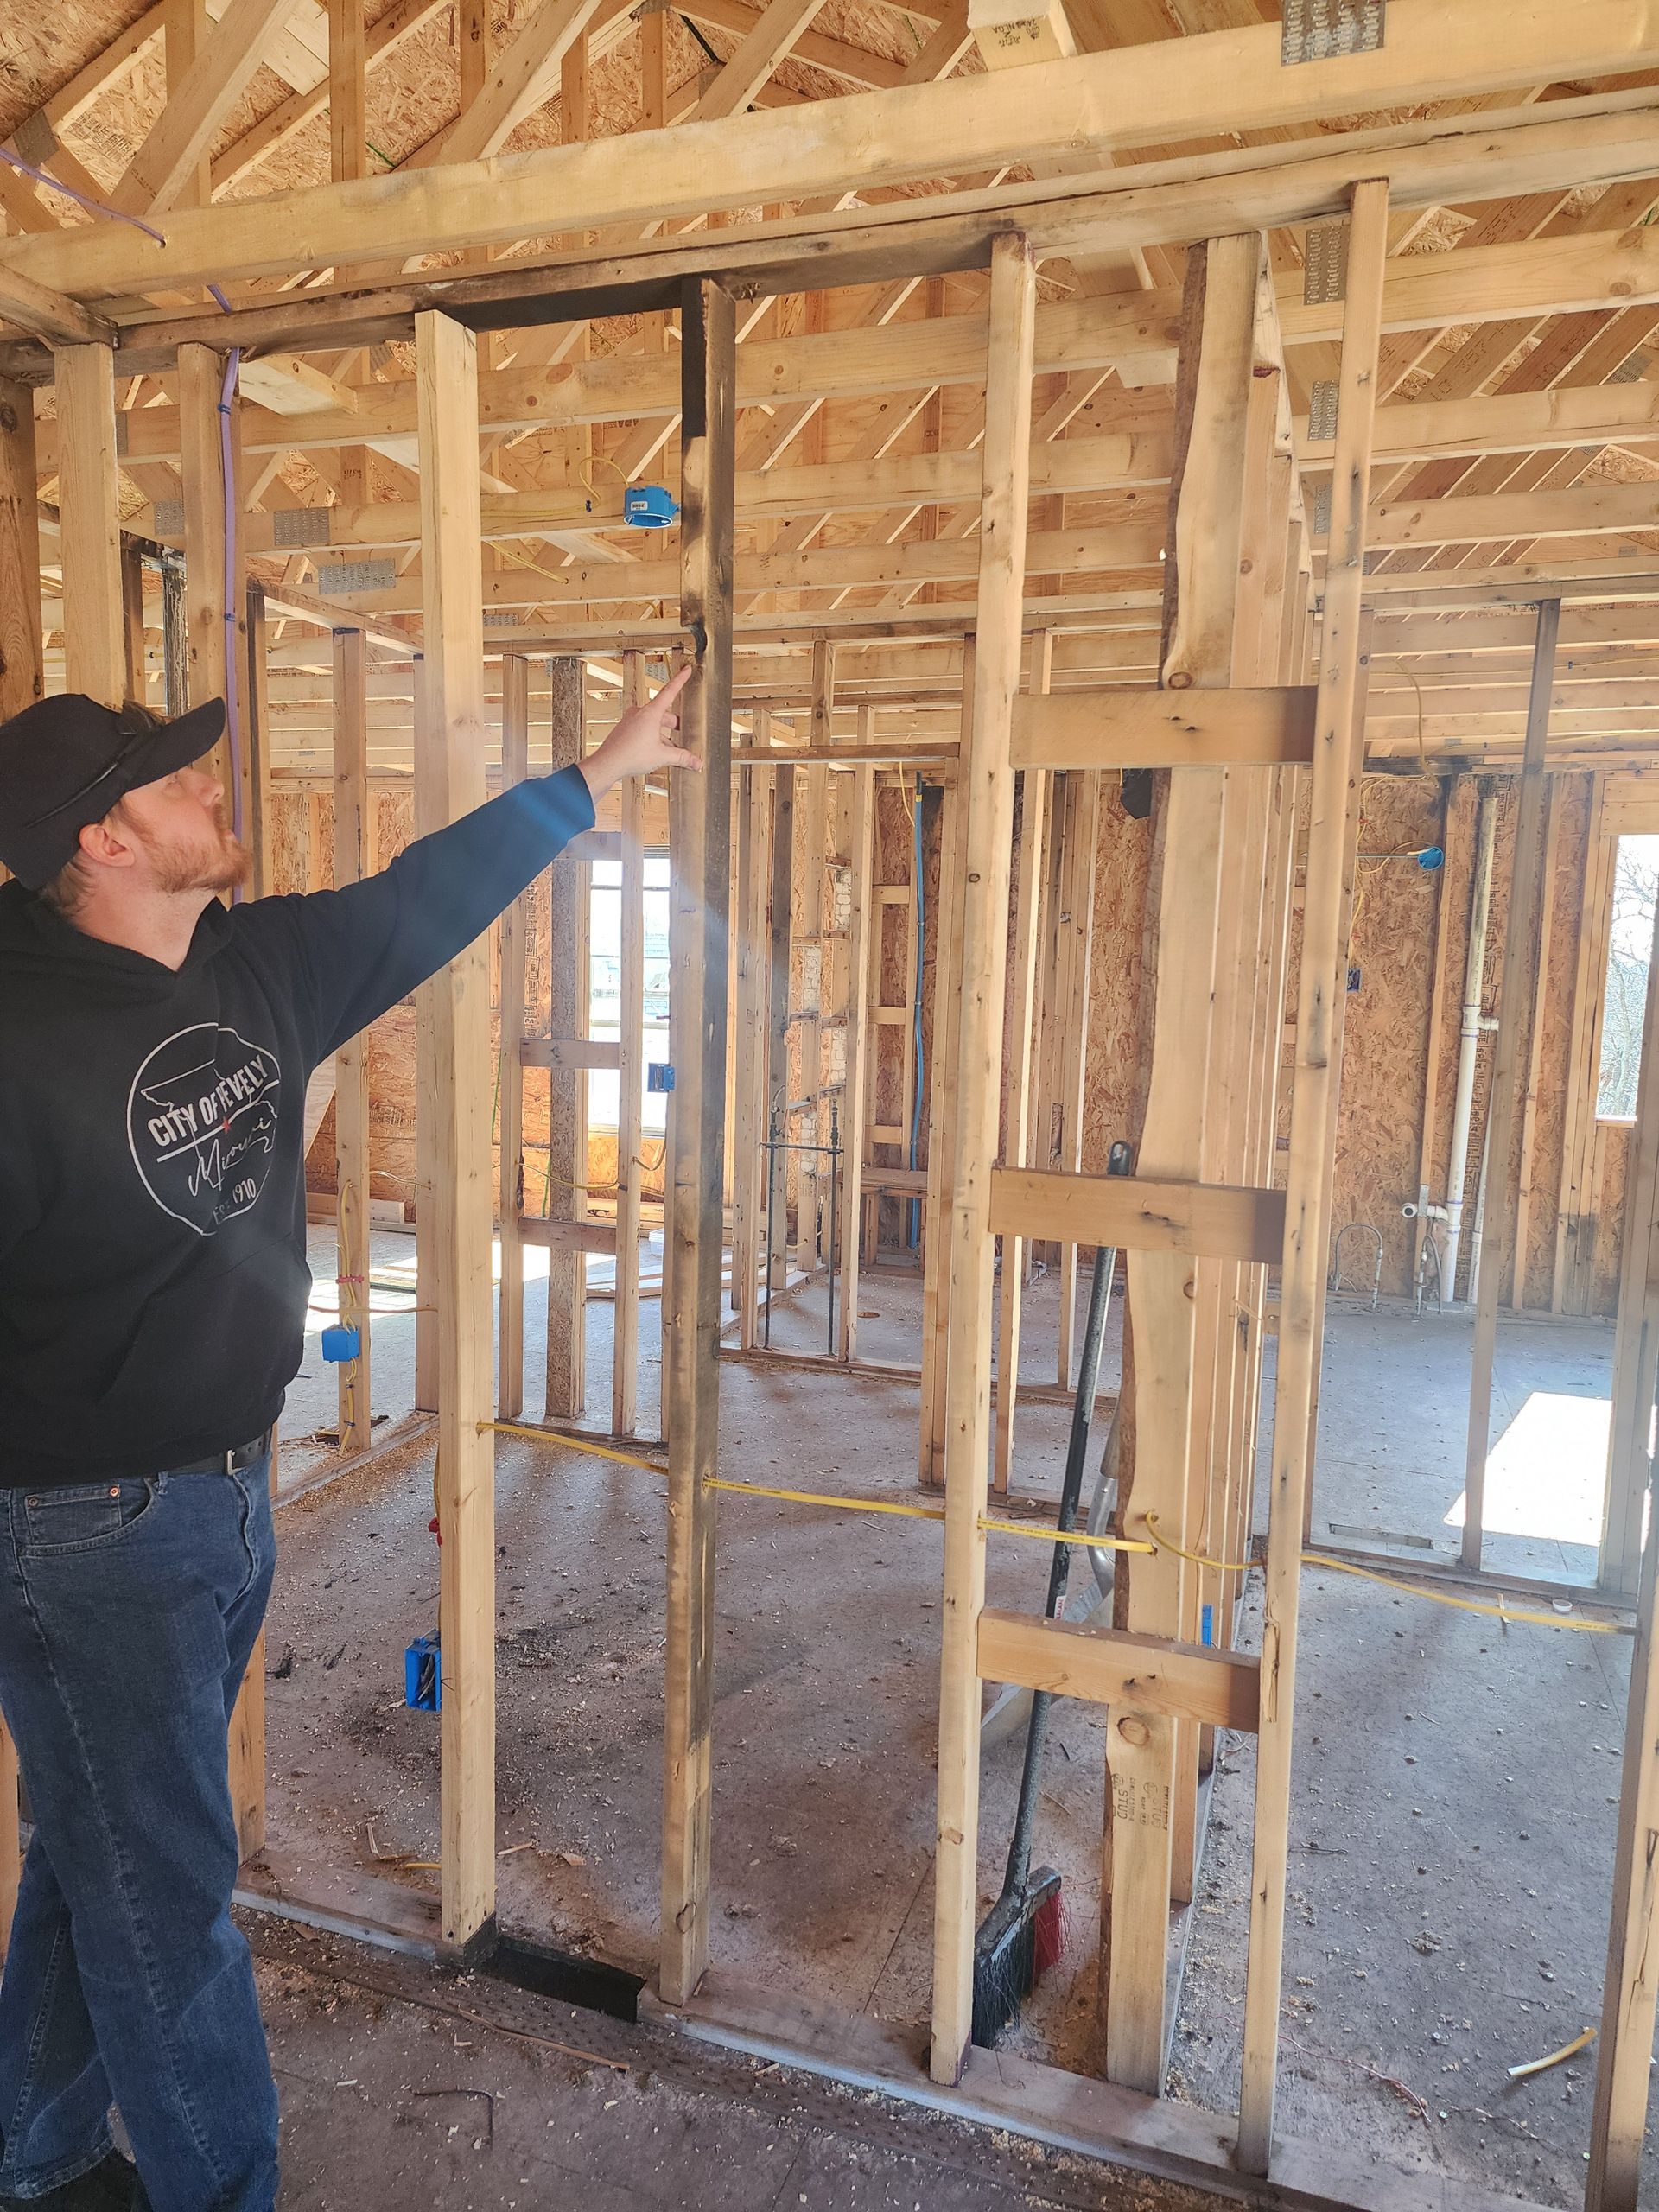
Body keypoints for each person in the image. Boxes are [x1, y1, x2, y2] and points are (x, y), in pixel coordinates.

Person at [0, 667, 697, 2212]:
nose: (214, 795)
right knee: (168, 1903)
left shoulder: (253, 966)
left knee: (95, 1851)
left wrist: (599, 772)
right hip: (80, 1528)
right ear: (102, 845)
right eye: (176, 787)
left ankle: (38, 2159)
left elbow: (425, 893)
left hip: (224, 1494)